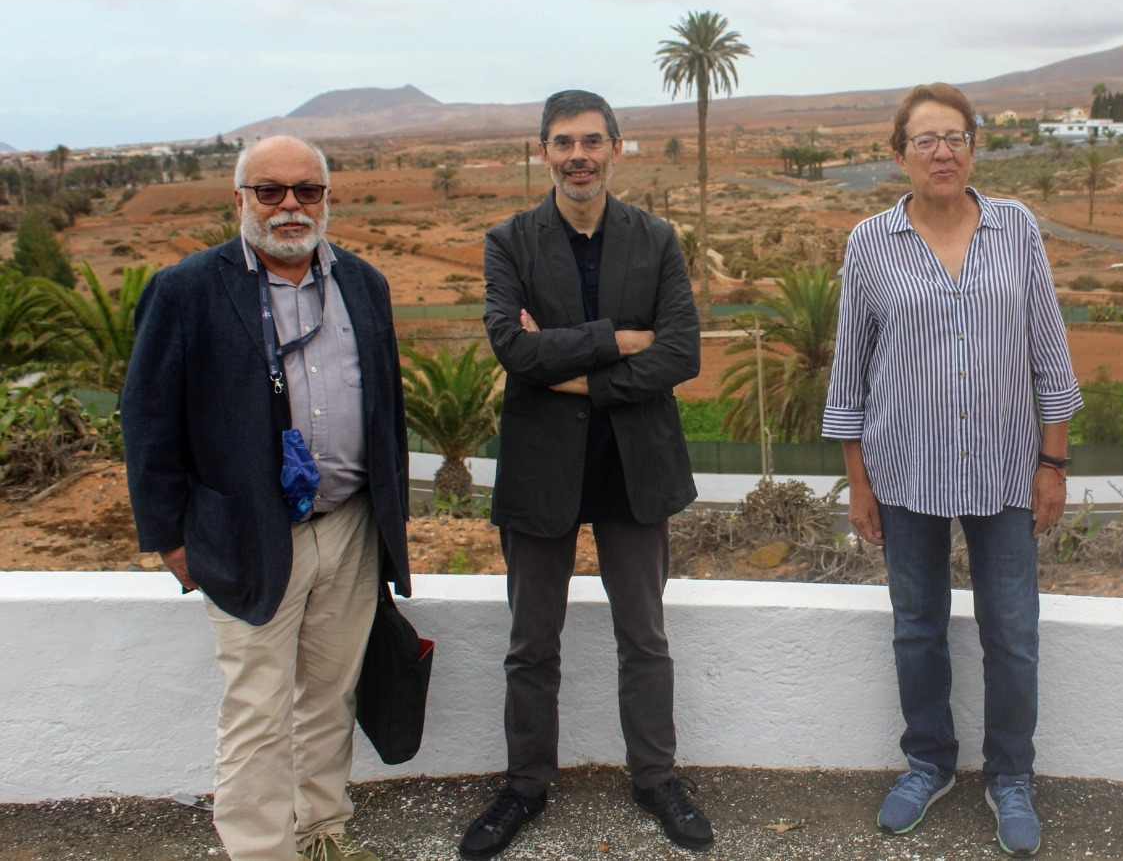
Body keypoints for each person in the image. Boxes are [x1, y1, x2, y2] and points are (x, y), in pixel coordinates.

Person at [124, 136, 412, 861]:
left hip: (348, 527)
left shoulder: (363, 284)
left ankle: (322, 832)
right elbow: (148, 418)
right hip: (245, 534)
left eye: (306, 191)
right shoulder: (187, 289)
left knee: (330, 695)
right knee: (257, 709)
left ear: (326, 198)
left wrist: (390, 522)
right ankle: (259, 850)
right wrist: (171, 540)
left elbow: (386, 411)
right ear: (240, 199)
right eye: (270, 190)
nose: (290, 205)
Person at [823, 83, 1083, 856]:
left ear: (974, 146)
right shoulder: (870, 243)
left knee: (1012, 631)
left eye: (956, 137)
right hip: (904, 468)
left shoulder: (1015, 228)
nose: (943, 151)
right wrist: (859, 481)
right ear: (898, 153)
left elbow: (1048, 351)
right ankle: (927, 763)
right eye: (926, 139)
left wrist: (1054, 462)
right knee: (917, 630)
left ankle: (1011, 777)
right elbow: (851, 371)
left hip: (1006, 466)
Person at [459, 90, 709, 859]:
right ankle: (524, 787)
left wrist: (576, 368)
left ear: (616, 149)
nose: (579, 155)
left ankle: (656, 777)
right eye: (564, 142)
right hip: (542, 472)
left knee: (646, 637)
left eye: (592, 141)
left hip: (635, 469)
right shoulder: (510, 242)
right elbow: (513, 349)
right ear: (544, 152)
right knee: (532, 641)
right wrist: (617, 340)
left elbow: (682, 353)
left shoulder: (656, 238)